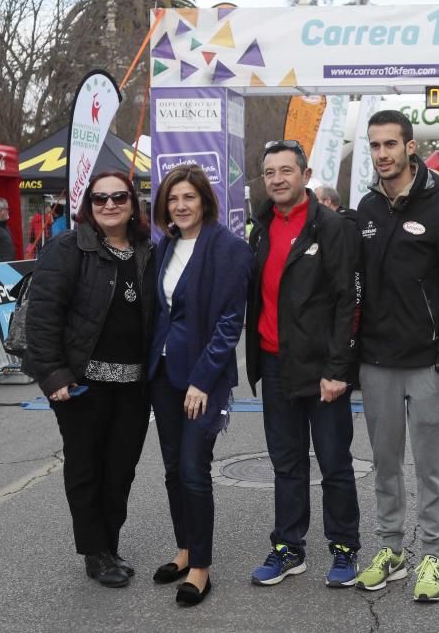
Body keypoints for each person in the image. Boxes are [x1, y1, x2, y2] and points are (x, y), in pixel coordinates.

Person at [354, 110, 439, 602]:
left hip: (427, 366)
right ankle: (391, 550)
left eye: (390, 145)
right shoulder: (365, 208)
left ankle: (433, 557)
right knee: (384, 464)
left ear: (409, 147)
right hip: (376, 363)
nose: (382, 154)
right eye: (375, 146)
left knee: (429, 469)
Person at [23, 172, 156, 589]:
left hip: (134, 388)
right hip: (81, 387)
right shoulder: (68, 249)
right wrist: (53, 375)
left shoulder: (147, 251)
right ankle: (94, 553)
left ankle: (109, 545)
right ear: (88, 206)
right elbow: (42, 317)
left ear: (133, 203)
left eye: (119, 197)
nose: (110, 205)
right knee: (86, 469)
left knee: (120, 470)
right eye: (100, 199)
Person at [246, 140, 362, 589]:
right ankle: (289, 548)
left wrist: (338, 370)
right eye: (269, 172)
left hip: (322, 370)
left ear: (305, 174)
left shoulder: (331, 227)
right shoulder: (260, 228)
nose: (277, 179)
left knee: (334, 462)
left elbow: (347, 303)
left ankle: (345, 549)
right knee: (286, 463)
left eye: (285, 171)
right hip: (275, 364)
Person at [148, 164, 252, 606]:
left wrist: (202, 381)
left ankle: (202, 567)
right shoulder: (166, 247)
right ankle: (184, 549)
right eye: (173, 199)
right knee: (173, 470)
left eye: (188, 197)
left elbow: (230, 323)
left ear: (204, 200)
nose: (180, 206)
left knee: (193, 469)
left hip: (201, 380)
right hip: (162, 374)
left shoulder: (228, 248)